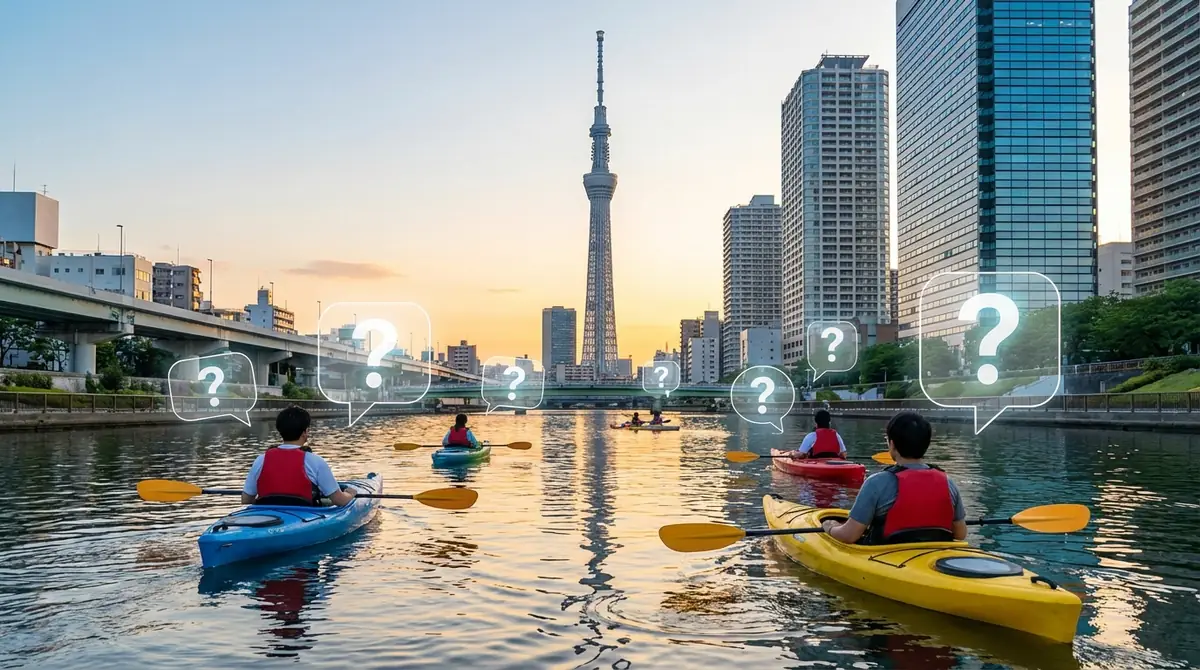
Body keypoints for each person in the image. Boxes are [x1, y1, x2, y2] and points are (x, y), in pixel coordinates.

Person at [820, 411, 967, 545]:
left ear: (892, 444)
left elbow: (849, 535)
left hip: (885, 557)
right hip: (931, 555)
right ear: (926, 444)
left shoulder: (876, 483)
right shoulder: (948, 483)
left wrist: (830, 527)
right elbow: (960, 534)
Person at [242, 406, 356, 507]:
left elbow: (246, 499)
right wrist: (350, 494)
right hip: (304, 516)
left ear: (280, 431)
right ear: (305, 432)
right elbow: (339, 500)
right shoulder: (315, 461)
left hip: (266, 516)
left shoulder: (260, 460)